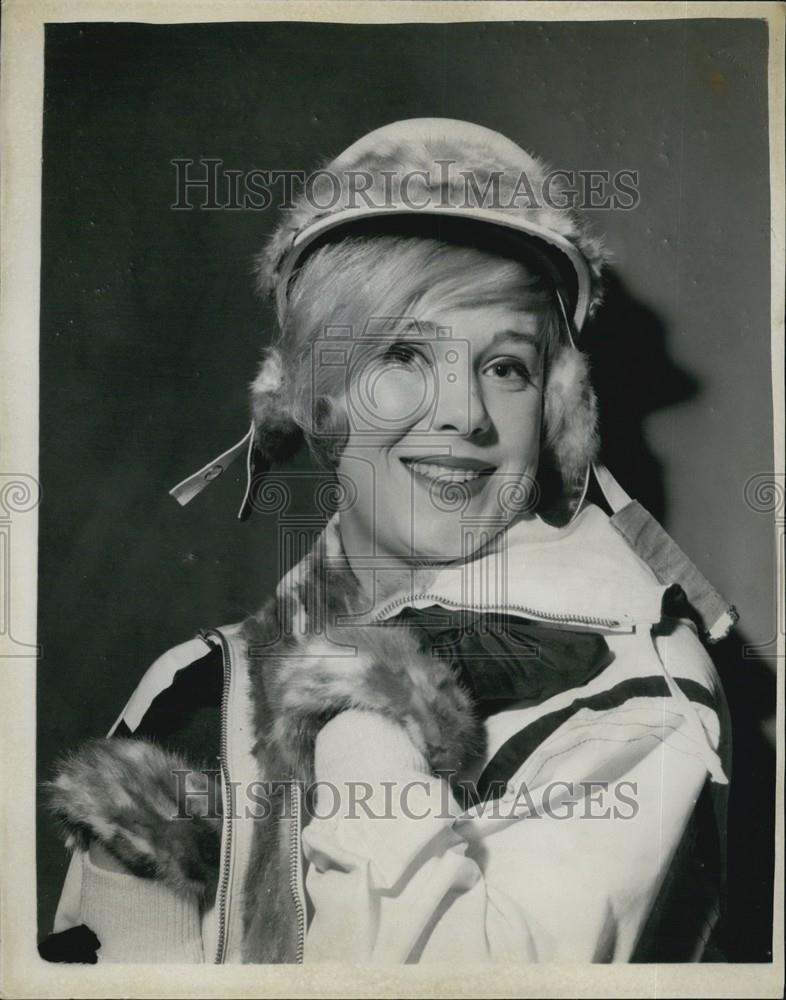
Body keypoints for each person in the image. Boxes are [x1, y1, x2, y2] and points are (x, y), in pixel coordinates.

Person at [42, 118, 736, 965]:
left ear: (554, 417)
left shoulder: (634, 685)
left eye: (507, 366)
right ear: (319, 396)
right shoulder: (193, 687)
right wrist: (140, 897)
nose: (465, 414)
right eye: (404, 352)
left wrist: (365, 712)